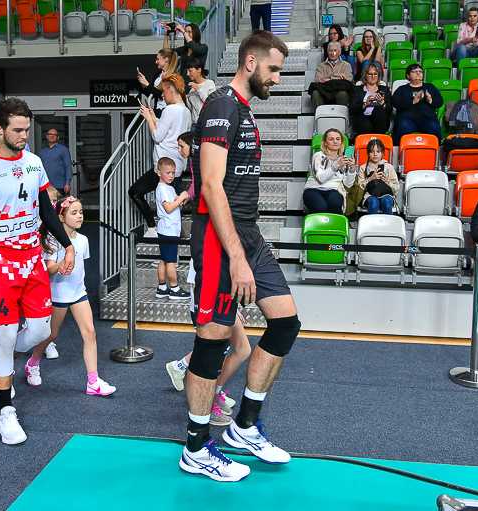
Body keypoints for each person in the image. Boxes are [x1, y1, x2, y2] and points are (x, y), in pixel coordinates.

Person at [185, 30, 298, 482]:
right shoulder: (221, 105)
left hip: (247, 231)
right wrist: (235, 256)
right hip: (219, 237)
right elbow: (211, 186)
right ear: (250, 63)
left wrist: (245, 245)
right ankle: (196, 447)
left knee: (285, 322)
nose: (276, 78)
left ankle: (244, 426)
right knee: (212, 341)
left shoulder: (244, 110)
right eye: (273, 69)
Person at [0, 97, 75, 445]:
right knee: (6, 336)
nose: (24, 135)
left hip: (33, 259)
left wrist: (67, 244)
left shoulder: (34, 162)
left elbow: (45, 209)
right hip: (0, 262)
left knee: (40, 331)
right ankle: (5, 412)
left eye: (27, 129)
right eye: (17, 130)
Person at [25, 196, 116, 395]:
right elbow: (49, 269)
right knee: (51, 334)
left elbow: (81, 267)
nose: (79, 216)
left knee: (90, 333)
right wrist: (62, 264)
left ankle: (93, 381)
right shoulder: (51, 239)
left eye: (81, 212)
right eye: (74, 213)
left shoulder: (83, 240)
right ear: (61, 217)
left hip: (78, 293)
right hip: (58, 295)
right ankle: (32, 363)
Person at [165, 259, 252, 426]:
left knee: (241, 350)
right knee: (214, 354)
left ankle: (208, 389)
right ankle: (207, 401)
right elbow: (197, 285)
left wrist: (232, 307)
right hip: (210, 309)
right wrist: (211, 312)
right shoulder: (204, 249)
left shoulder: (227, 249)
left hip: (223, 306)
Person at [129, 73, 191, 236]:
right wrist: (154, 117)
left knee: (134, 192)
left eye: (163, 91)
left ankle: (152, 228)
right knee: (171, 204)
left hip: (164, 165)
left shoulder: (170, 110)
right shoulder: (185, 110)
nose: (162, 95)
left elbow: (157, 136)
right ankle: (172, 233)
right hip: (176, 165)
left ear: (171, 89)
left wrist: (149, 119)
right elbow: (170, 130)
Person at [154, 157, 190, 300]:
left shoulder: (168, 188)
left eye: (173, 173)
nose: (171, 176)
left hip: (168, 229)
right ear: (159, 173)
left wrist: (181, 200)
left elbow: (175, 205)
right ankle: (174, 289)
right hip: (168, 230)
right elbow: (169, 208)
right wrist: (181, 198)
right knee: (170, 262)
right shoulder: (163, 188)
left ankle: (162, 288)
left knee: (164, 259)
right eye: (167, 173)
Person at [304, 128, 356, 214]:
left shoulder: (343, 160)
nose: (335, 141)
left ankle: (337, 223)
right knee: (321, 207)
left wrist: (352, 169)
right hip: (313, 189)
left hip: (332, 190)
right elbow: (321, 178)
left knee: (335, 204)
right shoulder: (318, 156)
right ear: (325, 142)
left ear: (341, 142)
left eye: (338, 139)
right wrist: (337, 165)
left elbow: (348, 184)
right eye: (331, 139)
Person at [391, 64, 443, 145]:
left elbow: (440, 101)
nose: (418, 73)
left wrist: (430, 101)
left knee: (434, 126)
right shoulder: (402, 89)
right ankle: (398, 150)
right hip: (407, 119)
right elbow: (395, 102)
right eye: (414, 71)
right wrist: (412, 102)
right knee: (403, 126)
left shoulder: (430, 87)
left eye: (420, 71)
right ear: (408, 75)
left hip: (427, 119)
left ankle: (437, 150)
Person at [349, 63, 392, 136]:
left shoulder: (384, 89)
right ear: (365, 75)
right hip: (362, 118)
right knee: (366, 125)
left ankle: (380, 139)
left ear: (378, 76)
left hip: (380, 119)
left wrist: (382, 103)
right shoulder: (356, 90)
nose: (373, 76)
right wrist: (365, 104)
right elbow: (352, 110)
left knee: (378, 109)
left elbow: (389, 111)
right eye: (370, 74)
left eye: (375, 74)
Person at [358, 139, 399, 215]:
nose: (375, 154)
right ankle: (372, 223)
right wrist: (371, 179)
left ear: (382, 153)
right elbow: (360, 188)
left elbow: (396, 188)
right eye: (372, 151)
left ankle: (388, 222)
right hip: (369, 195)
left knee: (386, 201)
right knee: (374, 202)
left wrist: (387, 182)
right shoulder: (363, 167)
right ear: (368, 153)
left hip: (386, 194)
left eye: (378, 151)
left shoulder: (389, 167)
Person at [135, 49, 179, 116]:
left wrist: (147, 84)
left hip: (168, 109)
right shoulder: (157, 75)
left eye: (158, 59)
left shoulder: (173, 76)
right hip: (158, 109)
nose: (156, 62)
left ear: (166, 59)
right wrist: (143, 84)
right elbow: (151, 94)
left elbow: (163, 94)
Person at [311, 42, 353, 109]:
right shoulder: (322, 65)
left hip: (339, 90)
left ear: (339, 52)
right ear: (327, 52)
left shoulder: (346, 65)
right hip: (325, 91)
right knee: (315, 93)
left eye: (335, 50)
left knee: (342, 93)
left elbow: (348, 80)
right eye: (330, 51)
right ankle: (320, 114)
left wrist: (329, 79)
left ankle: (342, 114)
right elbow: (318, 79)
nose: (332, 53)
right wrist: (334, 75)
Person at [169, 23, 209, 88]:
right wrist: (166, 35)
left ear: (196, 33)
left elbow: (195, 49)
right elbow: (167, 52)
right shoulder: (184, 49)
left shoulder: (203, 47)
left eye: (189, 32)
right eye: (186, 32)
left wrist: (183, 31)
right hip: (183, 84)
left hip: (197, 84)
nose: (187, 34)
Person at [38, 129, 72, 194]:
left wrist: (67, 183)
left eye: (54, 135)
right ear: (47, 136)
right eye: (50, 134)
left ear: (58, 137)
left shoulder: (64, 150)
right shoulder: (42, 151)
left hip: (59, 185)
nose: (52, 136)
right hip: (45, 185)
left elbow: (68, 167)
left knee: (59, 201)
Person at [185, 59, 216, 128]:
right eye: (187, 71)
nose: (188, 74)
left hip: (207, 123)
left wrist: (198, 89)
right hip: (194, 124)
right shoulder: (191, 88)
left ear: (199, 70)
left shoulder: (209, 83)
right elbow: (190, 108)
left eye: (190, 71)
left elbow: (211, 102)